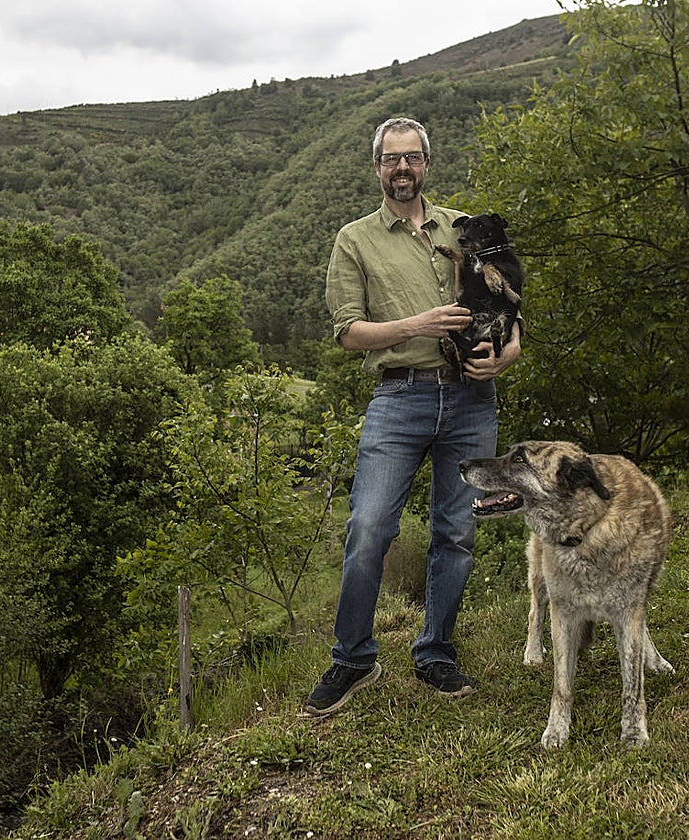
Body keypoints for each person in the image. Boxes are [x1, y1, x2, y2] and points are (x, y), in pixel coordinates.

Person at [306, 116, 521, 715]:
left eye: (412, 158)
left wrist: (509, 351)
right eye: (391, 159)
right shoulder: (354, 239)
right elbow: (348, 332)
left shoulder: (465, 228)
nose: (403, 168)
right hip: (398, 398)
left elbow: (509, 300)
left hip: (471, 400)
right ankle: (352, 660)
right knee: (369, 527)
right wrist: (417, 326)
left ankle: (437, 653)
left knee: (457, 531)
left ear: (427, 164)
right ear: (377, 168)